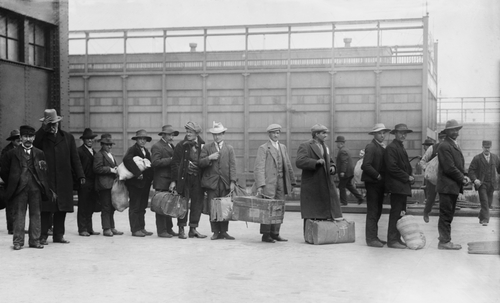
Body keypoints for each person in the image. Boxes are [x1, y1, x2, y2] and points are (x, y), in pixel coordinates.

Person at [34, 109, 85, 245]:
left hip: (64, 179)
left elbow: (75, 158)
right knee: (46, 208)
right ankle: (43, 235)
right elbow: (33, 145)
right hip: (47, 179)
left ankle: (58, 235)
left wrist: (80, 175)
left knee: (61, 208)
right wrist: (42, 129)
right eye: (50, 124)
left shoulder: (68, 137)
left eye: (54, 124)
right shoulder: (41, 138)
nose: (52, 126)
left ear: (58, 123)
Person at [0, 125, 51, 250]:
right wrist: (13, 183)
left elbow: (44, 170)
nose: (28, 139)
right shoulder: (11, 154)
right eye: (25, 136)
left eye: (30, 136)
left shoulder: (40, 153)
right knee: (19, 215)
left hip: (35, 189)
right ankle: (18, 242)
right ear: (21, 138)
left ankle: (35, 241)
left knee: (36, 214)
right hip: (19, 189)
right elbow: (4, 172)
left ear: (34, 138)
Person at [296, 124, 343, 237]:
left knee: (325, 212)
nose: (326, 135)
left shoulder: (325, 147)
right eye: (323, 133)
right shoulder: (306, 145)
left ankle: (321, 236)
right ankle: (309, 236)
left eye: (326, 133)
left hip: (325, 184)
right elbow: (299, 162)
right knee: (311, 212)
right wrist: (314, 162)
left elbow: (330, 161)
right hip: (312, 185)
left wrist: (333, 167)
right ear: (316, 134)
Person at [253, 123, 296, 243]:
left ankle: (275, 233)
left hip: (281, 182)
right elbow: (259, 168)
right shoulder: (263, 148)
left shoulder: (283, 147)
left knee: (279, 208)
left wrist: (292, 181)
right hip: (269, 184)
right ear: (269, 134)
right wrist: (260, 185)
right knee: (267, 208)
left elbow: (287, 165)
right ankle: (266, 235)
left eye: (278, 133)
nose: (276, 135)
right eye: (273, 133)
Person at [200, 122, 237, 240]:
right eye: (214, 134)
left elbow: (233, 166)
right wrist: (209, 158)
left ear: (223, 134)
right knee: (214, 207)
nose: (217, 137)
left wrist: (232, 182)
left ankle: (224, 231)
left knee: (225, 207)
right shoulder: (207, 148)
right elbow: (200, 163)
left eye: (219, 134)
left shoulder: (229, 148)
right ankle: (215, 231)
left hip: (225, 182)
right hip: (212, 183)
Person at [436, 119, 470, 250]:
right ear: (447, 131)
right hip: (447, 187)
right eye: (452, 129)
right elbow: (449, 168)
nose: (455, 131)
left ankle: (444, 240)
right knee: (446, 214)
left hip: (451, 186)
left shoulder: (453, 144)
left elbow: (458, 165)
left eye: (457, 129)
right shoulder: (445, 146)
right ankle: (444, 242)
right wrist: (462, 178)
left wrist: (464, 175)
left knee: (448, 214)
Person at [170, 122, 207, 239]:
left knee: (197, 204)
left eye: (190, 132)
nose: (188, 134)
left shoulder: (203, 145)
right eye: (187, 132)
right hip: (184, 179)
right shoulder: (181, 145)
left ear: (196, 133)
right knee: (182, 204)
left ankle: (193, 229)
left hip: (197, 179)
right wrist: (174, 181)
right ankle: (181, 229)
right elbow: (175, 164)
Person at [384, 123, 415, 249]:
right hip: (397, 187)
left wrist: (410, 175)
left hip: (402, 186)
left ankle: (396, 238)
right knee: (396, 213)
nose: (403, 135)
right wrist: (407, 177)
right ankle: (392, 240)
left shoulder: (400, 147)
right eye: (401, 133)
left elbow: (405, 166)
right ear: (395, 134)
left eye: (405, 133)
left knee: (401, 214)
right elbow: (392, 168)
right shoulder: (392, 148)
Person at [361, 123, 391, 247]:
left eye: (384, 133)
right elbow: (365, 165)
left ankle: (374, 236)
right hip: (373, 183)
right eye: (379, 133)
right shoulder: (371, 147)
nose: (382, 135)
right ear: (374, 134)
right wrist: (377, 175)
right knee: (373, 211)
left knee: (377, 211)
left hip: (378, 184)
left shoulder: (381, 147)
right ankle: (371, 239)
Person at [123, 129, 154, 237]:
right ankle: (135, 229)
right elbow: (127, 160)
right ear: (136, 140)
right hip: (135, 183)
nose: (142, 141)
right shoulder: (132, 149)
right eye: (140, 138)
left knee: (142, 206)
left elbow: (150, 165)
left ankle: (141, 227)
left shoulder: (146, 150)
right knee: (135, 206)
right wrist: (137, 173)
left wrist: (151, 178)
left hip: (145, 184)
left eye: (144, 139)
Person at [151, 125, 180, 238]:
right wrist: (171, 160)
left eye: (172, 135)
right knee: (161, 205)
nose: (172, 137)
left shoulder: (169, 145)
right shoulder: (157, 146)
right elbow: (155, 162)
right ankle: (162, 231)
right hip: (161, 180)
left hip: (168, 180)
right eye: (169, 134)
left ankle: (168, 229)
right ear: (163, 135)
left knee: (168, 205)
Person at [93, 134, 123, 237]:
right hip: (104, 185)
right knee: (106, 206)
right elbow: (96, 168)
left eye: (110, 144)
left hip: (111, 185)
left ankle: (111, 227)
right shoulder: (99, 155)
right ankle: (106, 229)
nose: (109, 146)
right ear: (102, 144)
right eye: (107, 144)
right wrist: (110, 170)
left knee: (111, 206)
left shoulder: (111, 155)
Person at [468, 140, 500, 227]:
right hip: (481, 184)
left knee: (488, 203)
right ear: (482, 147)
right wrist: (475, 180)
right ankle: (485, 219)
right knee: (484, 202)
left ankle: (481, 216)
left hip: (492, 184)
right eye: (485, 147)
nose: (487, 149)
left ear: (490, 148)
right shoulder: (477, 158)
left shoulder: (495, 158)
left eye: (488, 147)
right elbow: (471, 171)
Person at [76, 128, 100, 236]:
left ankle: (89, 228)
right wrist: (80, 179)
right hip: (84, 182)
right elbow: (76, 167)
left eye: (91, 139)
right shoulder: (79, 151)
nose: (90, 141)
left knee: (90, 206)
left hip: (93, 182)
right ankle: (82, 229)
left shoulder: (94, 152)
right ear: (83, 140)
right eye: (87, 139)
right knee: (83, 206)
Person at [419, 131, 446, 223]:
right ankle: (426, 212)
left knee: (444, 199)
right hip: (433, 178)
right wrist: (426, 170)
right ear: (438, 139)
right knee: (431, 198)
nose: (443, 140)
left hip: (445, 178)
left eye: (445, 138)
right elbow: (422, 161)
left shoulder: (450, 148)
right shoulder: (432, 148)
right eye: (441, 138)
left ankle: (443, 218)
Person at [1, 129, 21, 235]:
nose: (19, 141)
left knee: (19, 205)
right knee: (10, 206)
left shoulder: (21, 149)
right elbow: (3, 170)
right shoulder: (6, 151)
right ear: (12, 141)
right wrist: (9, 181)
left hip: (20, 181)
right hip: (10, 182)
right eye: (17, 140)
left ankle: (17, 226)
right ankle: (11, 228)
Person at [335, 135, 364, 205]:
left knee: (341, 186)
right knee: (348, 185)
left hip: (345, 173)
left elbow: (344, 162)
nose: (337, 144)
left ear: (341, 143)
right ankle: (360, 197)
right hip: (349, 172)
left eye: (337, 143)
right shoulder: (346, 149)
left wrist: (342, 171)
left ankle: (343, 202)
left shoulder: (342, 151)